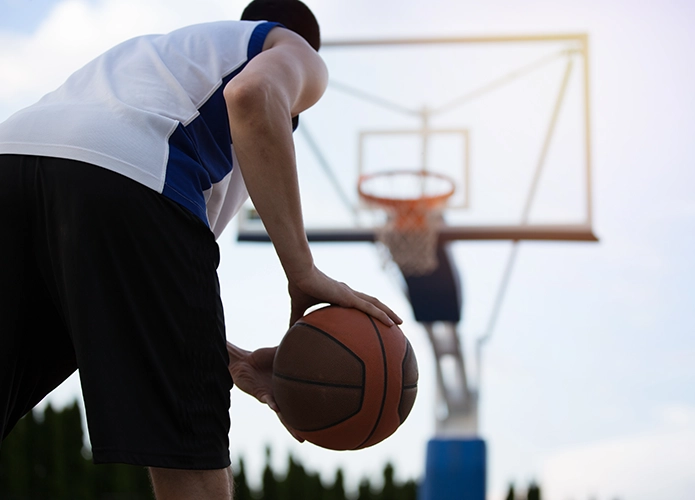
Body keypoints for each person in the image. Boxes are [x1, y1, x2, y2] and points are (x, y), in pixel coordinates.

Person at [0, 1, 402, 498]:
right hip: (131, 172)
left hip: (13, 162)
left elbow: (145, 290)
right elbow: (253, 94)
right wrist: (302, 271)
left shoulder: (165, 65)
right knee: (192, 464)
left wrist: (224, 356)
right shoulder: (292, 49)